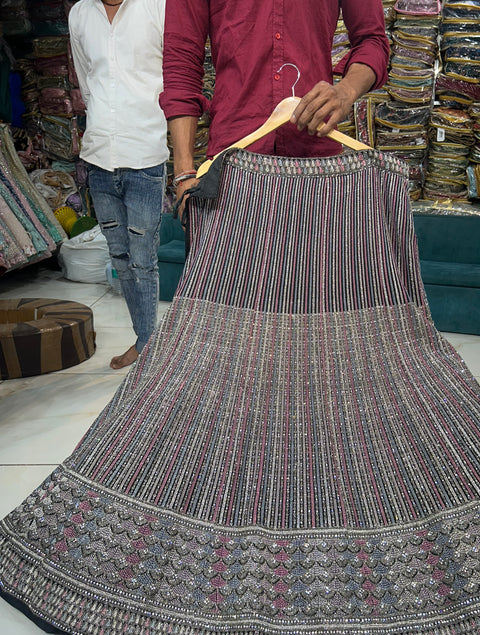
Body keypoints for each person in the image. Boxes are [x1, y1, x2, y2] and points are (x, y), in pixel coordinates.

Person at [160, 1, 390, 206]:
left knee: (319, 254)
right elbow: (182, 57)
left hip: (317, 164)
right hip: (232, 163)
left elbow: (372, 39)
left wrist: (345, 91)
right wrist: (183, 173)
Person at [69, 0, 168, 369]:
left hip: (145, 154)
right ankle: (145, 341)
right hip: (99, 159)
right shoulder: (80, 13)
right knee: (121, 259)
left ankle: (150, 346)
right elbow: (87, 83)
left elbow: (175, 74)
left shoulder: (157, 7)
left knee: (144, 261)